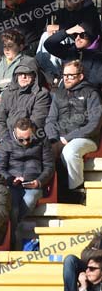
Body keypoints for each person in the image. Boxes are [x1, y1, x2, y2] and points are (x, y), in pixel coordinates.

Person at [45, 61, 102, 203]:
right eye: (64, 75)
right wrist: (53, 138)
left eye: (71, 75)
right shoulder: (58, 94)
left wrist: (69, 137)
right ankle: (46, 191)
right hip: (60, 137)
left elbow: (94, 124)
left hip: (87, 138)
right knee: (43, 150)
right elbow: (50, 120)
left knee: (70, 151)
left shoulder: (92, 93)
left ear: (80, 76)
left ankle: (76, 191)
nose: (66, 78)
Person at [0, 118, 54, 241]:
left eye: (28, 138)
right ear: (15, 133)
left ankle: (13, 232)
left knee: (29, 199)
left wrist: (39, 182)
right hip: (12, 184)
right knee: (13, 208)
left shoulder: (42, 140)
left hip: (34, 183)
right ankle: (14, 234)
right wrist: (10, 179)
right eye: (21, 139)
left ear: (33, 132)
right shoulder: (6, 142)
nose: (25, 142)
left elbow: (49, 166)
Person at [0, 54, 49, 143]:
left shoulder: (41, 94)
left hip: (29, 140)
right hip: (6, 139)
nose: (23, 77)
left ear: (34, 75)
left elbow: (38, 121)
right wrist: (5, 137)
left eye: (27, 74)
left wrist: (19, 138)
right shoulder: (8, 93)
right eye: (20, 74)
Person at [43, 20, 102, 88]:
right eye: (75, 35)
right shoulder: (71, 50)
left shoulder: (98, 56)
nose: (77, 38)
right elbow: (49, 44)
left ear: (92, 37)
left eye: (82, 35)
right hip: (64, 90)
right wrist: (66, 32)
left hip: (86, 91)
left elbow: (96, 81)